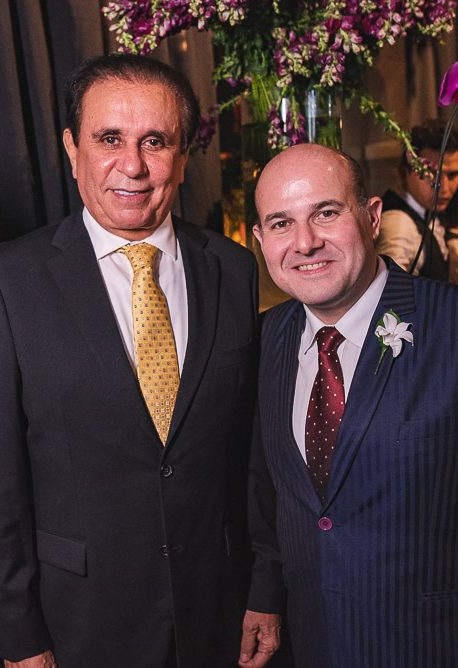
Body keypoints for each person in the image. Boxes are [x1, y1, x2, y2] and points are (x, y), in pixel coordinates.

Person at [0, 54, 260, 668]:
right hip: (78, 623)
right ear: (72, 149)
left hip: (217, 613)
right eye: (109, 139)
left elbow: (251, 457)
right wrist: (19, 637)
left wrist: (265, 589)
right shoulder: (7, 280)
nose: (133, 165)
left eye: (155, 141)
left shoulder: (233, 270)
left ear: (183, 156)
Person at [241, 143, 458, 667]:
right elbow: (268, 489)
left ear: (373, 216)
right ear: (260, 241)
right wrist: (266, 598)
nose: (305, 242)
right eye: (281, 223)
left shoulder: (449, 325)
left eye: (326, 213)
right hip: (312, 641)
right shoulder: (264, 339)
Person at [376, 119, 458, 281]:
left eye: (452, 175)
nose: (444, 187)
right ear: (404, 172)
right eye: (430, 173)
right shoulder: (398, 223)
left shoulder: (429, 209)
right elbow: (391, 290)